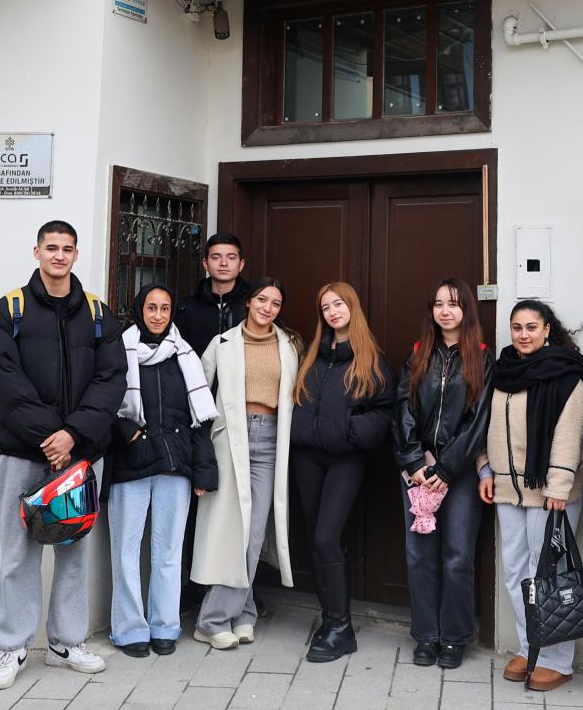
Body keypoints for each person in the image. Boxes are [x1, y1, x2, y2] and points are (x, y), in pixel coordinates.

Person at [0, 220, 128, 690]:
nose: (59, 255)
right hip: (23, 454)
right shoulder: (8, 311)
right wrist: (52, 436)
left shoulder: (99, 314)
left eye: (67, 248)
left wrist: (74, 435)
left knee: (73, 551)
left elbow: (112, 380)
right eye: (51, 248)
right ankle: (12, 646)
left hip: (80, 458)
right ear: (37, 252)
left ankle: (67, 643)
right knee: (17, 554)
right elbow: (5, 382)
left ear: (76, 254)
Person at [478, 299, 583, 692]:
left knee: (549, 575)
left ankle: (557, 660)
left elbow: (570, 433)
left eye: (531, 327)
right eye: (517, 327)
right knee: (515, 571)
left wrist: (559, 487)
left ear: (546, 330)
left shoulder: (566, 373)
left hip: (549, 492)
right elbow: (484, 424)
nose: (523, 335)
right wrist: (484, 468)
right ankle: (530, 648)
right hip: (507, 489)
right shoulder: (502, 371)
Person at [288, 282, 398, 663]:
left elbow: (386, 411)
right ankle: (329, 619)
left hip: (345, 459)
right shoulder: (311, 355)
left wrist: (351, 431)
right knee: (314, 540)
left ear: (352, 307)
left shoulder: (371, 359)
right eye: (326, 307)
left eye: (339, 304)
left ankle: (341, 628)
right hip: (307, 457)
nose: (333, 311)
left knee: (326, 537)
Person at [106, 284, 217, 657]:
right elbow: (102, 401)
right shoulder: (119, 352)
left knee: (169, 550)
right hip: (131, 461)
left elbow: (199, 419)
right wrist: (126, 431)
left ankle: (165, 625)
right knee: (126, 550)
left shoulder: (184, 355)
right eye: (151, 308)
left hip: (174, 464)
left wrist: (203, 470)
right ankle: (129, 630)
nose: (157, 315)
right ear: (139, 310)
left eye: (165, 308)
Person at [192, 277, 302, 651]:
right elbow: (197, 397)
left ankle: (233, 614)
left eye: (275, 302)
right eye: (262, 299)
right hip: (229, 441)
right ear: (249, 302)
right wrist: (200, 454)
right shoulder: (221, 344)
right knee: (230, 531)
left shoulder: (290, 346)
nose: (267, 307)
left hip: (271, 440)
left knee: (254, 533)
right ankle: (220, 619)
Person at [392, 278, 493, 670]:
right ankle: (426, 635)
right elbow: (403, 407)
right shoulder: (418, 353)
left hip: (459, 473)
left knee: (457, 556)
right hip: (418, 472)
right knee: (419, 555)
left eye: (453, 304)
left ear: (466, 309)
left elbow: (478, 420)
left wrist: (447, 468)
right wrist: (414, 461)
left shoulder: (481, 358)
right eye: (438, 304)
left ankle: (454, 637)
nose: (445, 311)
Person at [174, 233, 252, 354]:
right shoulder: (186, 307)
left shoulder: (253, 304)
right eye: (216, 257)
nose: (223, 263)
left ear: (241, 265)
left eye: (231, 258)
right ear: (205, 264)